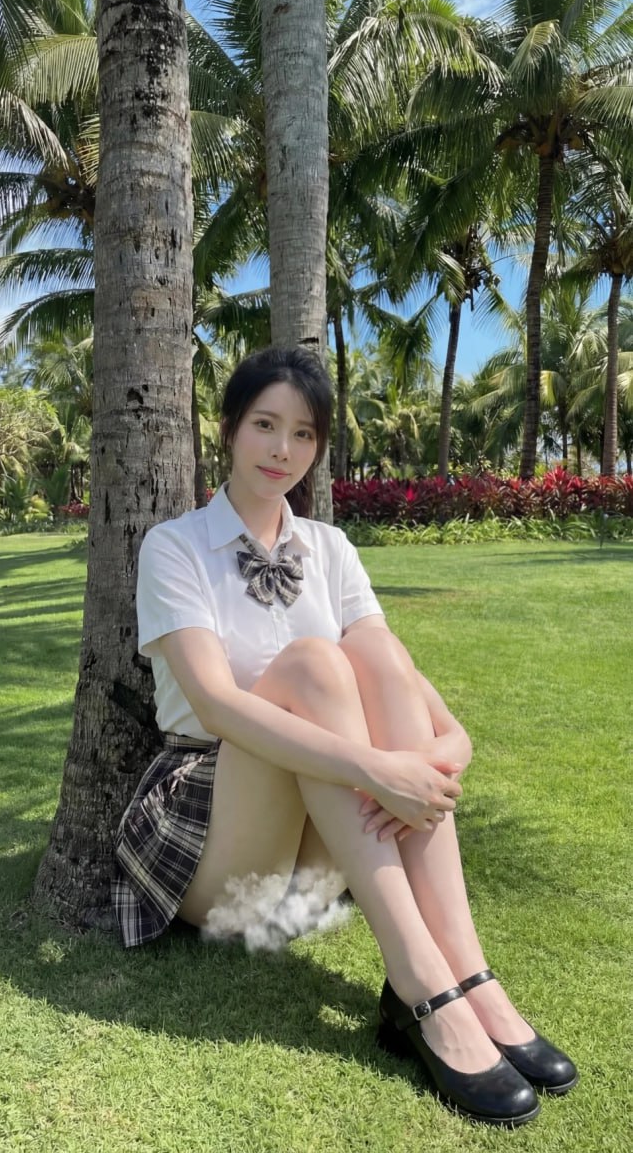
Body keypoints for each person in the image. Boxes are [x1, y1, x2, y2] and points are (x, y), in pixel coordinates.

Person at [112, 345, 578, 1127]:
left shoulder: (330, 549)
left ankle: (467, 971)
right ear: (229, 429)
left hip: (320, 851)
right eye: (265, 425)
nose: (282, 449)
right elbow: (217, 706)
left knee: (377, 656)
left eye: (304, 434)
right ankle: (421, 984)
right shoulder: (175, 545)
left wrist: (450, 744)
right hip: (214, 834)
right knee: (315, 667)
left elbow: (401, 679)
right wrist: (376, 768)